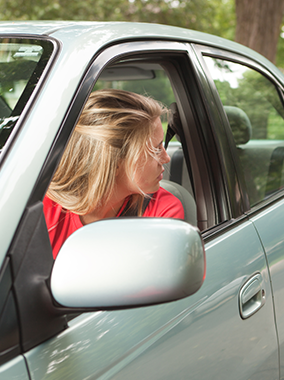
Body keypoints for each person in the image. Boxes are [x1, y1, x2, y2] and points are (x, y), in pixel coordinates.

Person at [43, 89, 184, 258]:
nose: (166, 158)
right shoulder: (42, 210)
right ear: (113, 162)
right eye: (155, 149)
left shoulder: (163, 210)